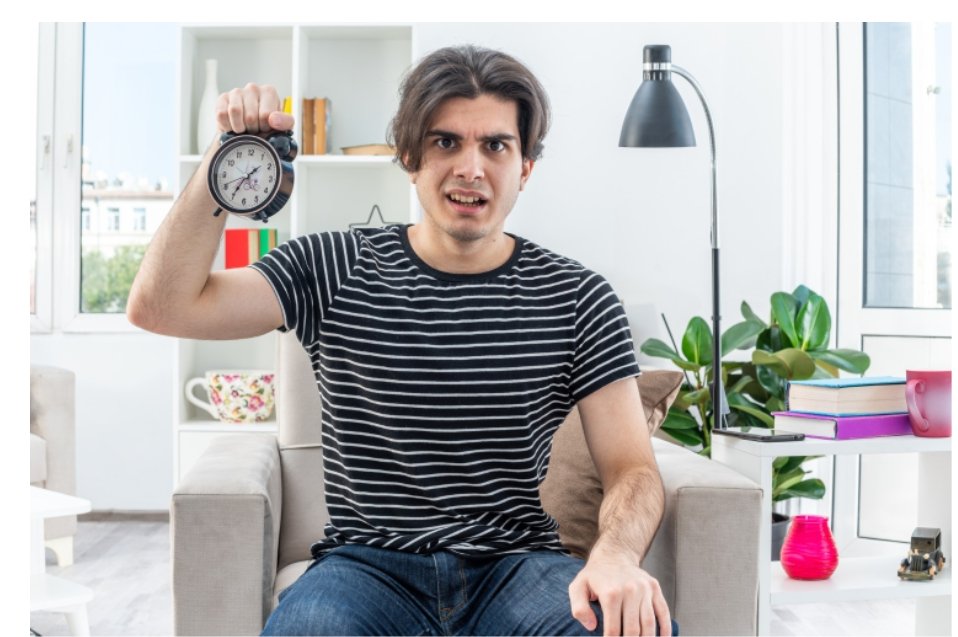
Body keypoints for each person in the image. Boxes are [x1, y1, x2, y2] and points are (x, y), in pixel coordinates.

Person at [128, 44, 676, 637]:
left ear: (525, 168)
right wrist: (225, 156)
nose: (471, 168)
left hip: (518, 569)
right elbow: (161, 307)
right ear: (410, 158)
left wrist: (615, 556)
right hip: (365, 569)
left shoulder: (578, 296)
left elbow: (632, 469)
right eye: (446, 142)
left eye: (496, 145)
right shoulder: (335, 265)